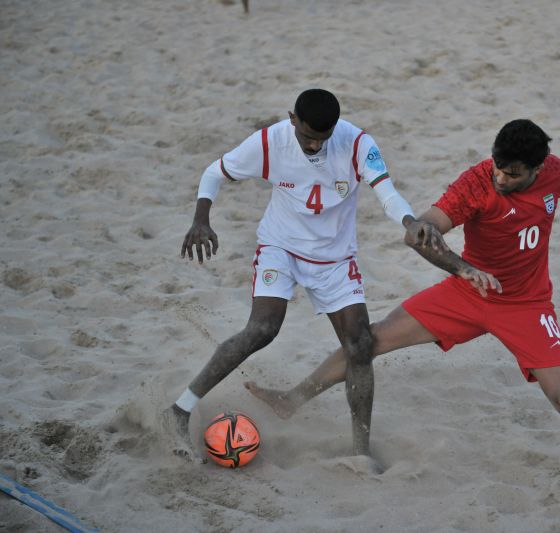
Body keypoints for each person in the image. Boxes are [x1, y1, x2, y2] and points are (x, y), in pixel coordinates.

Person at [245, 119, 560, 490]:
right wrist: (458, 265)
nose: (501, 178)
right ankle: (290, 399)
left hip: (526, 304)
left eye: (513, 175)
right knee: (368, 340)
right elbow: (419, 234)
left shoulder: (557, 174)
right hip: (466, 293)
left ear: (538, 168)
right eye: (498, 168)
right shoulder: (476, 184)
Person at [166, 89, 419, 461]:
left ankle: (359, 452)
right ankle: (179, 410)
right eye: (307, 136)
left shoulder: (357, 143)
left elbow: (388, 194)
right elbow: (213, 172)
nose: (315, 145)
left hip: (335, 258)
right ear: (292, 119)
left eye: (323, 138)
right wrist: (201, 219)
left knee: (360, 346)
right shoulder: (270, 141)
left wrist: (410, 222)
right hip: (280, 247)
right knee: (262, 329)